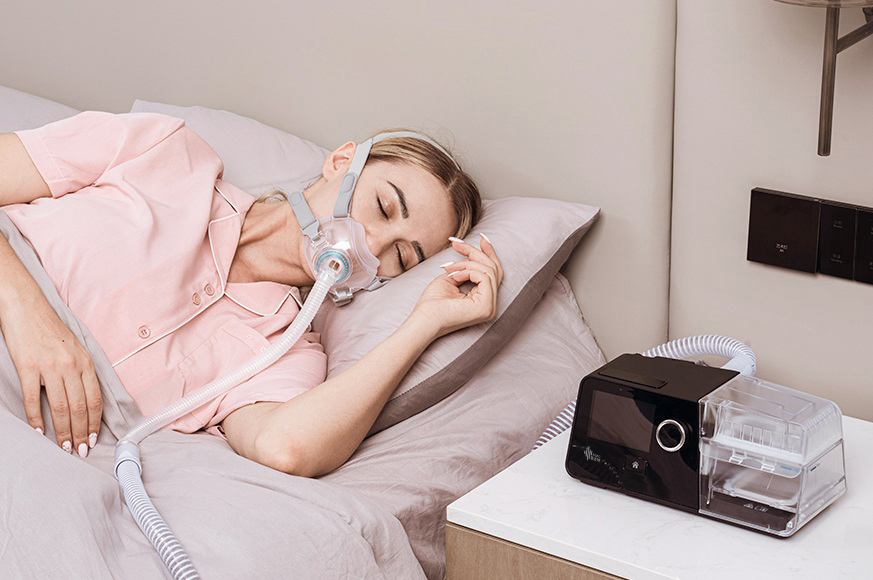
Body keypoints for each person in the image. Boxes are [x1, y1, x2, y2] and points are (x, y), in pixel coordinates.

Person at [0, 111, 503, 477]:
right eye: (383, 207)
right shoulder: (163, 152)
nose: (371, 245)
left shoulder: (284, 350)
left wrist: (425, 323)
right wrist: (26, 311)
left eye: (401, 257)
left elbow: (286, 449)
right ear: (342, 161)